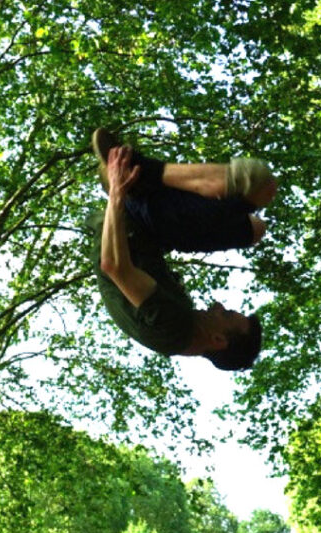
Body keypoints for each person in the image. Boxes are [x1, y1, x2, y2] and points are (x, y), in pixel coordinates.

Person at [90, 128, 277, 371]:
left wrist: (117, 191)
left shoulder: (173, 329)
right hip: (150, 233)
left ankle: (142, 171)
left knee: (259, 182)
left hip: (133, 217)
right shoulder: (182, 331)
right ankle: (136, 177)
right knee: (255, 229)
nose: (218, 306)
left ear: (218, 340)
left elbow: (114, 265)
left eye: (227, 314)